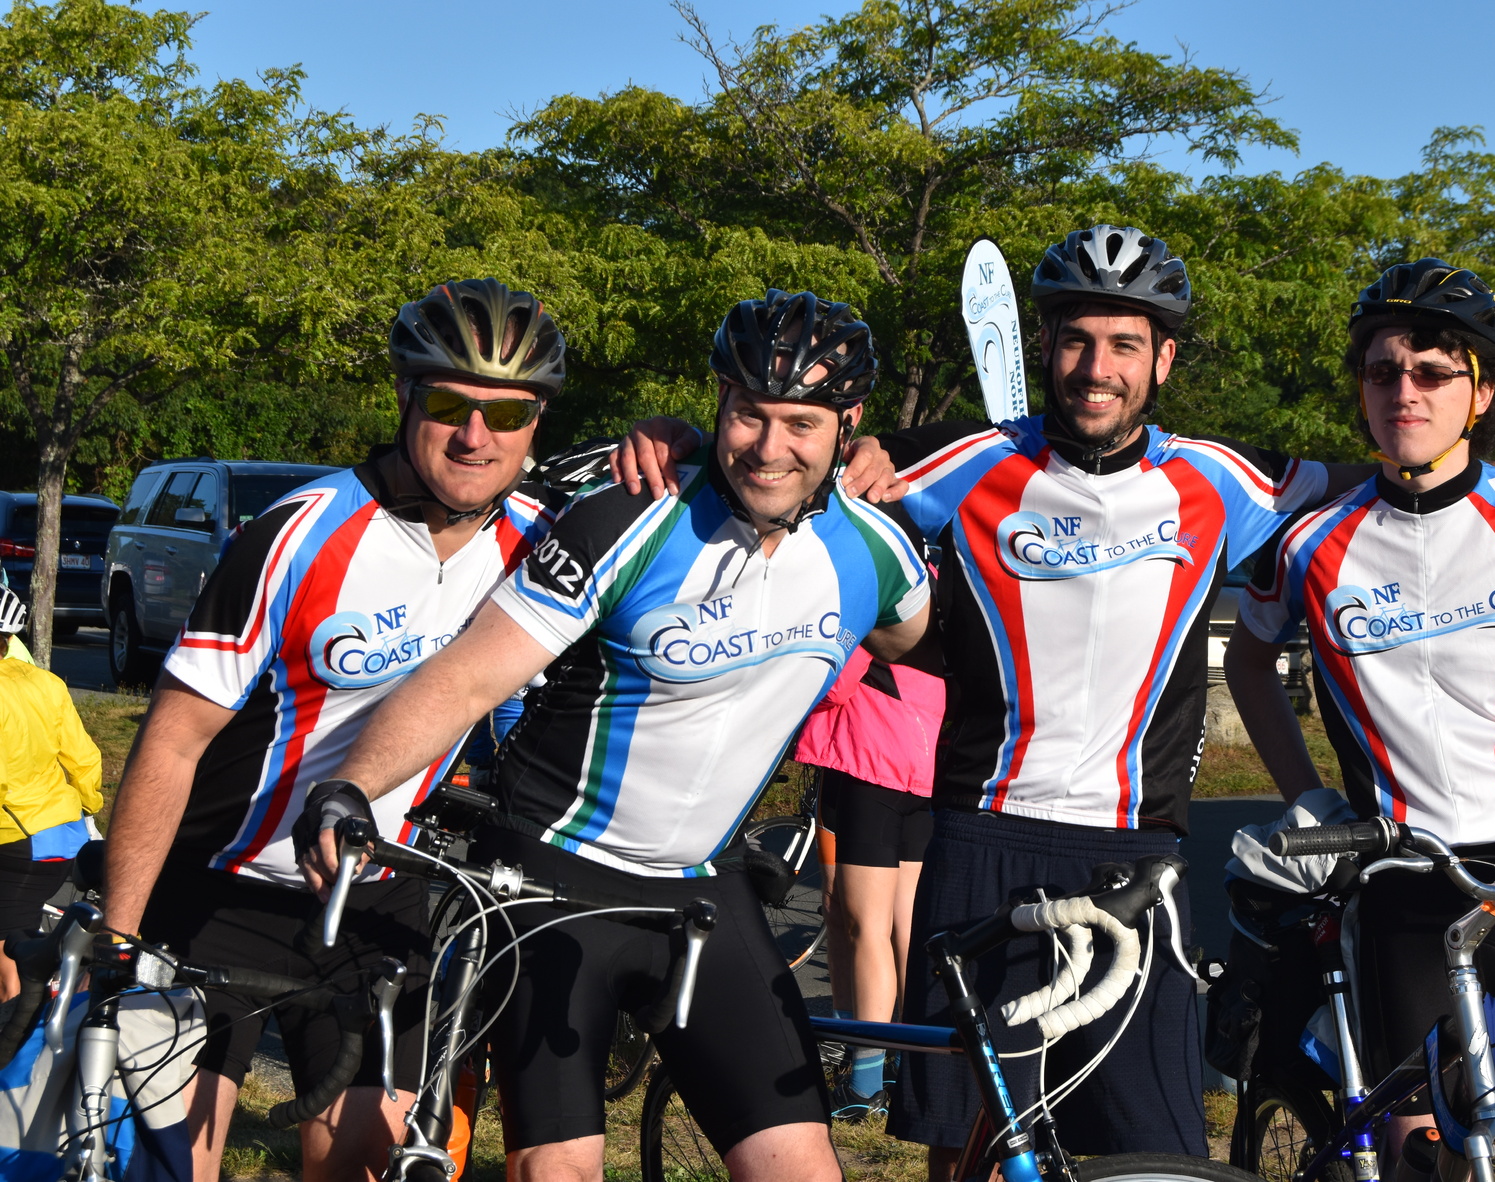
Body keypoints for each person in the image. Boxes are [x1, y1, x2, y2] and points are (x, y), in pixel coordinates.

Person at [613, 225, 1495, 1172]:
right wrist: (671, 440)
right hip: (980, 842)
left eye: (1125, 345)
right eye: (1076, 340)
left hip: (1137, 856)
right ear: (1045, 345)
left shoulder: (1227, 481)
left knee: (1154, 1155)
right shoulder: (957, 460)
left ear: (1164, 362)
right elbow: (781, 454)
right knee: (971, 1146)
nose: (1097, 368)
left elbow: (1409, 470)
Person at [298, 289, 933, 1182]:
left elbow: (917, 633)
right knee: (557, 1170)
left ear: (848, 424)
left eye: (802, 423)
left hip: (701, 889)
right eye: (749, 414)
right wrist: (352, 785)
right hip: (549, 880)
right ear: (718, 401)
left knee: (803, 1168)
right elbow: (471, 674)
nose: (768, 446)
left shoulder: (875, 548)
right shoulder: (626, 517)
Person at [99, 279, 565, 1182]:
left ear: (536, 421)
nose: (475, 436)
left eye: (506, 413)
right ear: (404, 399)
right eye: (447, 405)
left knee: (361, 1164)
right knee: (170, 1159)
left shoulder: (544, 545)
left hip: (377, 894)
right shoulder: (297, 533)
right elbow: (172, 740)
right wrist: (121, 940)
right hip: (219, 887)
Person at [1225, 257, 1495, 1182]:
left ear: (1479, 393)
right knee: (1419, 1167)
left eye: (1432, 373)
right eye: (1383, 371)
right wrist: (1305, 793)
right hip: (1400, 885)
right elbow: (1247, 657)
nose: (1404, 391)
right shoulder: (1308, 536)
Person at [794, 645, 945, 1116]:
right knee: (903, 925)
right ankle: (909, 1061)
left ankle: (864, 1083)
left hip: (870, 755)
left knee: (866, 926)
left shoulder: (874, 589)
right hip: (924, 759)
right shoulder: (936, 590)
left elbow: (834, 682)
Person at [0, 584, 103, 1001]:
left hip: (14, 838)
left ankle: (18, 1060)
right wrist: (85, 806)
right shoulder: (45, 682)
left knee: (9, 973)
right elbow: (85, 760)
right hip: (64, 832)